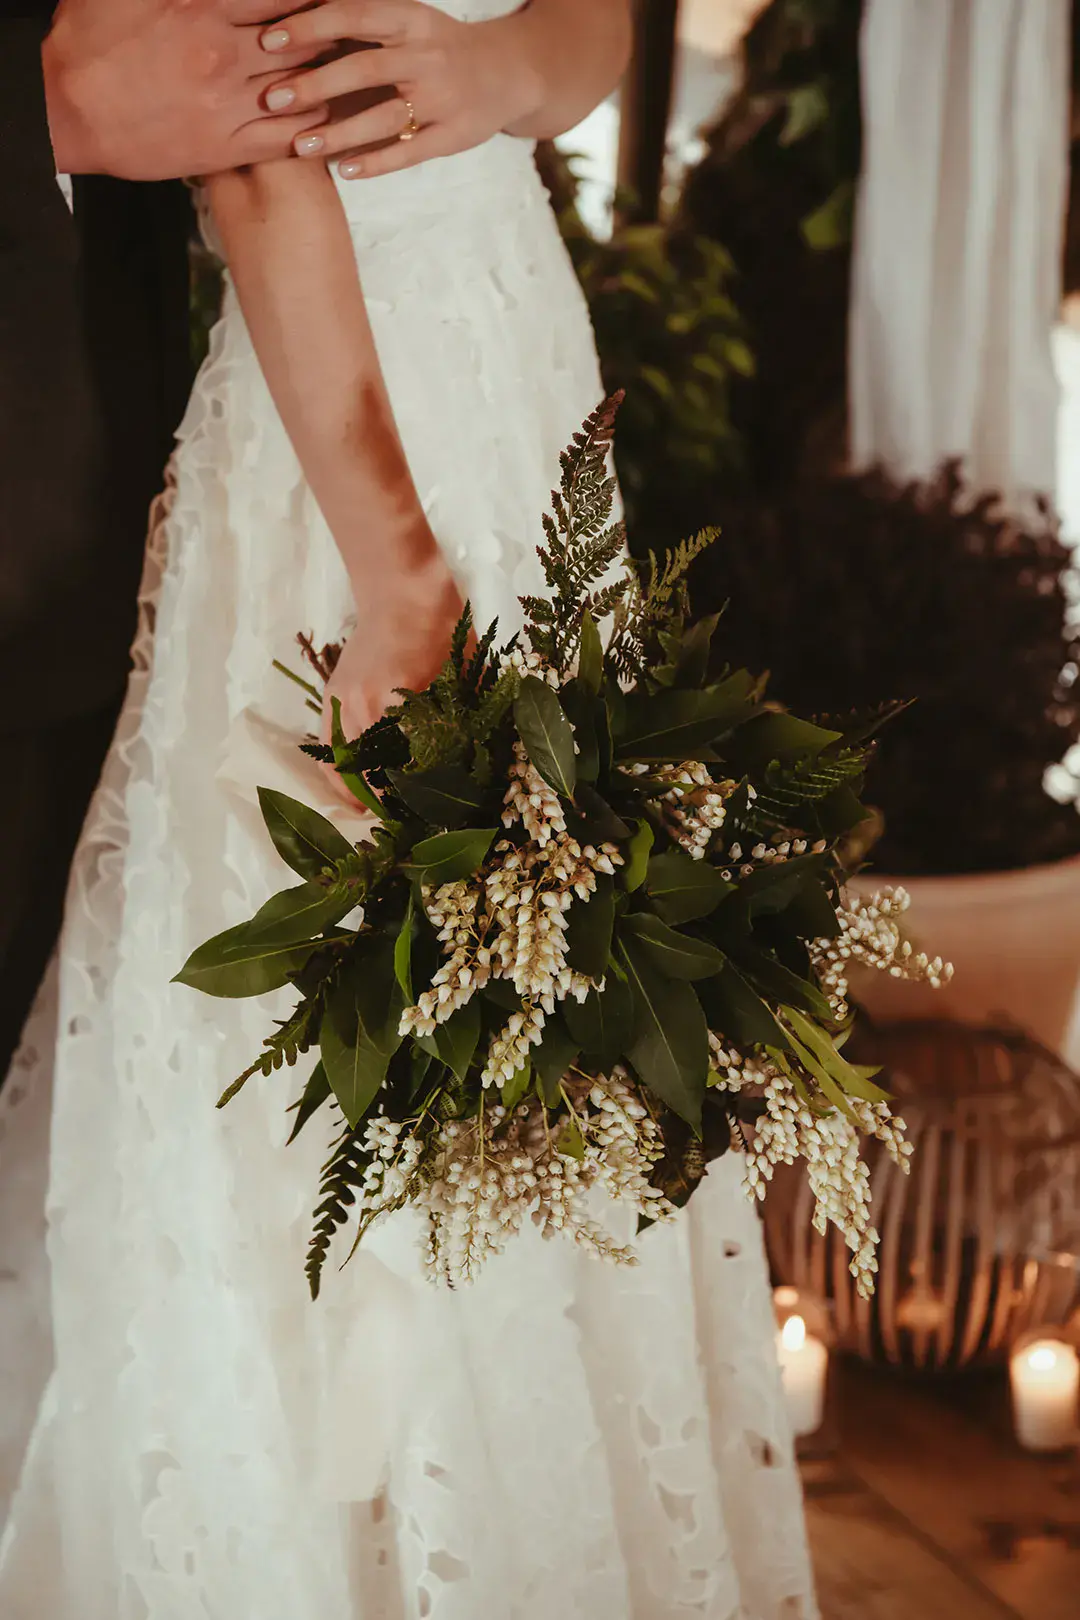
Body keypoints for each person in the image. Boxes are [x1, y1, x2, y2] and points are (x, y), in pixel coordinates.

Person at [0, 3, 820, 1616]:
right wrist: (396, 564)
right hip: (345, 406)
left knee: (553, 1000)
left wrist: (500, 73)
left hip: (518, 389)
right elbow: (251, 147)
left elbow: (592, 28)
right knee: (333, 1005)